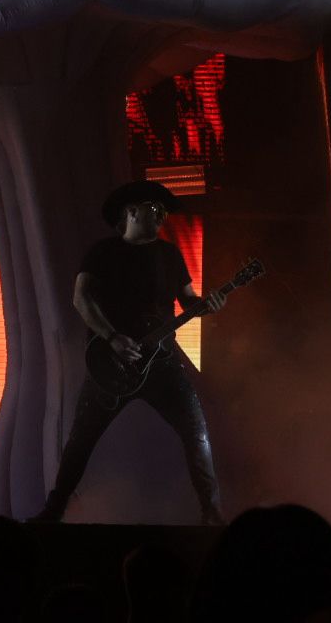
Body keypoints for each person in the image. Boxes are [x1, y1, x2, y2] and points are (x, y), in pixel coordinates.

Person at [34, 180, 226, 524]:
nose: (162, 215)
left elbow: (188, 300)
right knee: (81, 439)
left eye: (164, 211)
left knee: (196, 432)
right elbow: (81, 298)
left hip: (162, 364)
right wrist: (112, 337)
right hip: (111, 365)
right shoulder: (102, 253)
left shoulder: (169, 255)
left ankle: (211, 513)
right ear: (131, 211)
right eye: (155, 208)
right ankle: (52, 512)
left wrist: (208, 304)